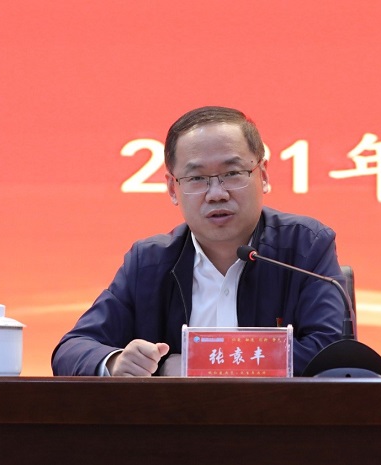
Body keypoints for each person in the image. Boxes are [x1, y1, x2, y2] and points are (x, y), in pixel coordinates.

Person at [51, 106, 348, 377]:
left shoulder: (305, 246)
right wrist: (117, 362)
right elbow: (72, 349)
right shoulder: (149, 262)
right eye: (196, 179)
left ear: (264, 175)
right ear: (172, 188)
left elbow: (333, 354)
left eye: (232, 173)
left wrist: (194, 365)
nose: (216, 193)